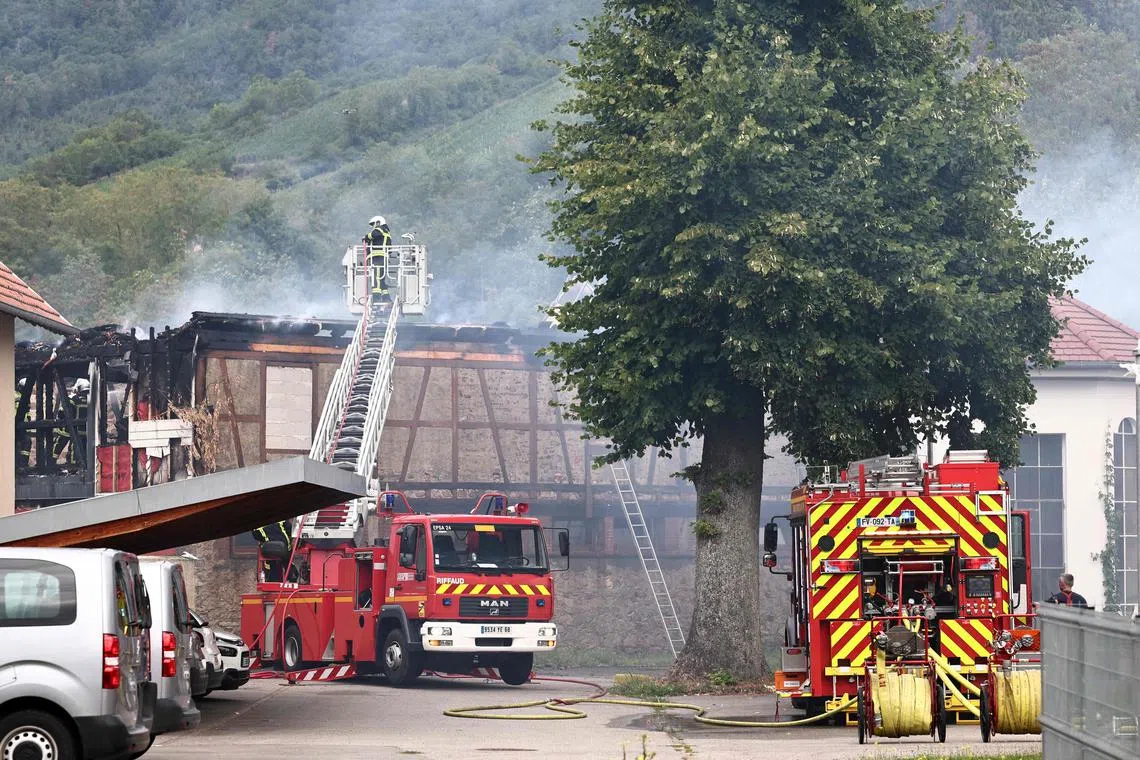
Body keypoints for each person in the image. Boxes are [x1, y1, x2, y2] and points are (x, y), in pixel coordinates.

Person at [363, 215, 392, 303]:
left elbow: (372, 235)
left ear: (378, 222)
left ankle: (376, 298)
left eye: (373, 224)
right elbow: (389, 249)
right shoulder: (387, 233)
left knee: (375, 278)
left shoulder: (379, 229)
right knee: (381, 279)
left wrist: (365, 237)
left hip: (377, 258)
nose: (373, 227)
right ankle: (386, 298)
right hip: (383, 258)